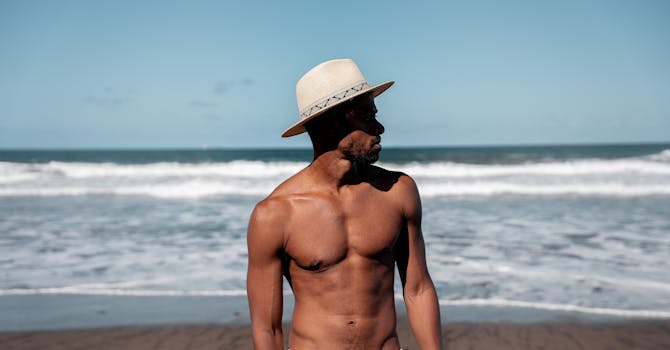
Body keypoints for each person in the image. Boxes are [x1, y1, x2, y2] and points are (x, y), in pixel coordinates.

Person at [247, 59, 441, 349]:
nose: (380, 127)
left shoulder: (398, 191)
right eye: (367, 116)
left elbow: (418, 289)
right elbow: (267, 328)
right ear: (333, 122)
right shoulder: (276, 214)